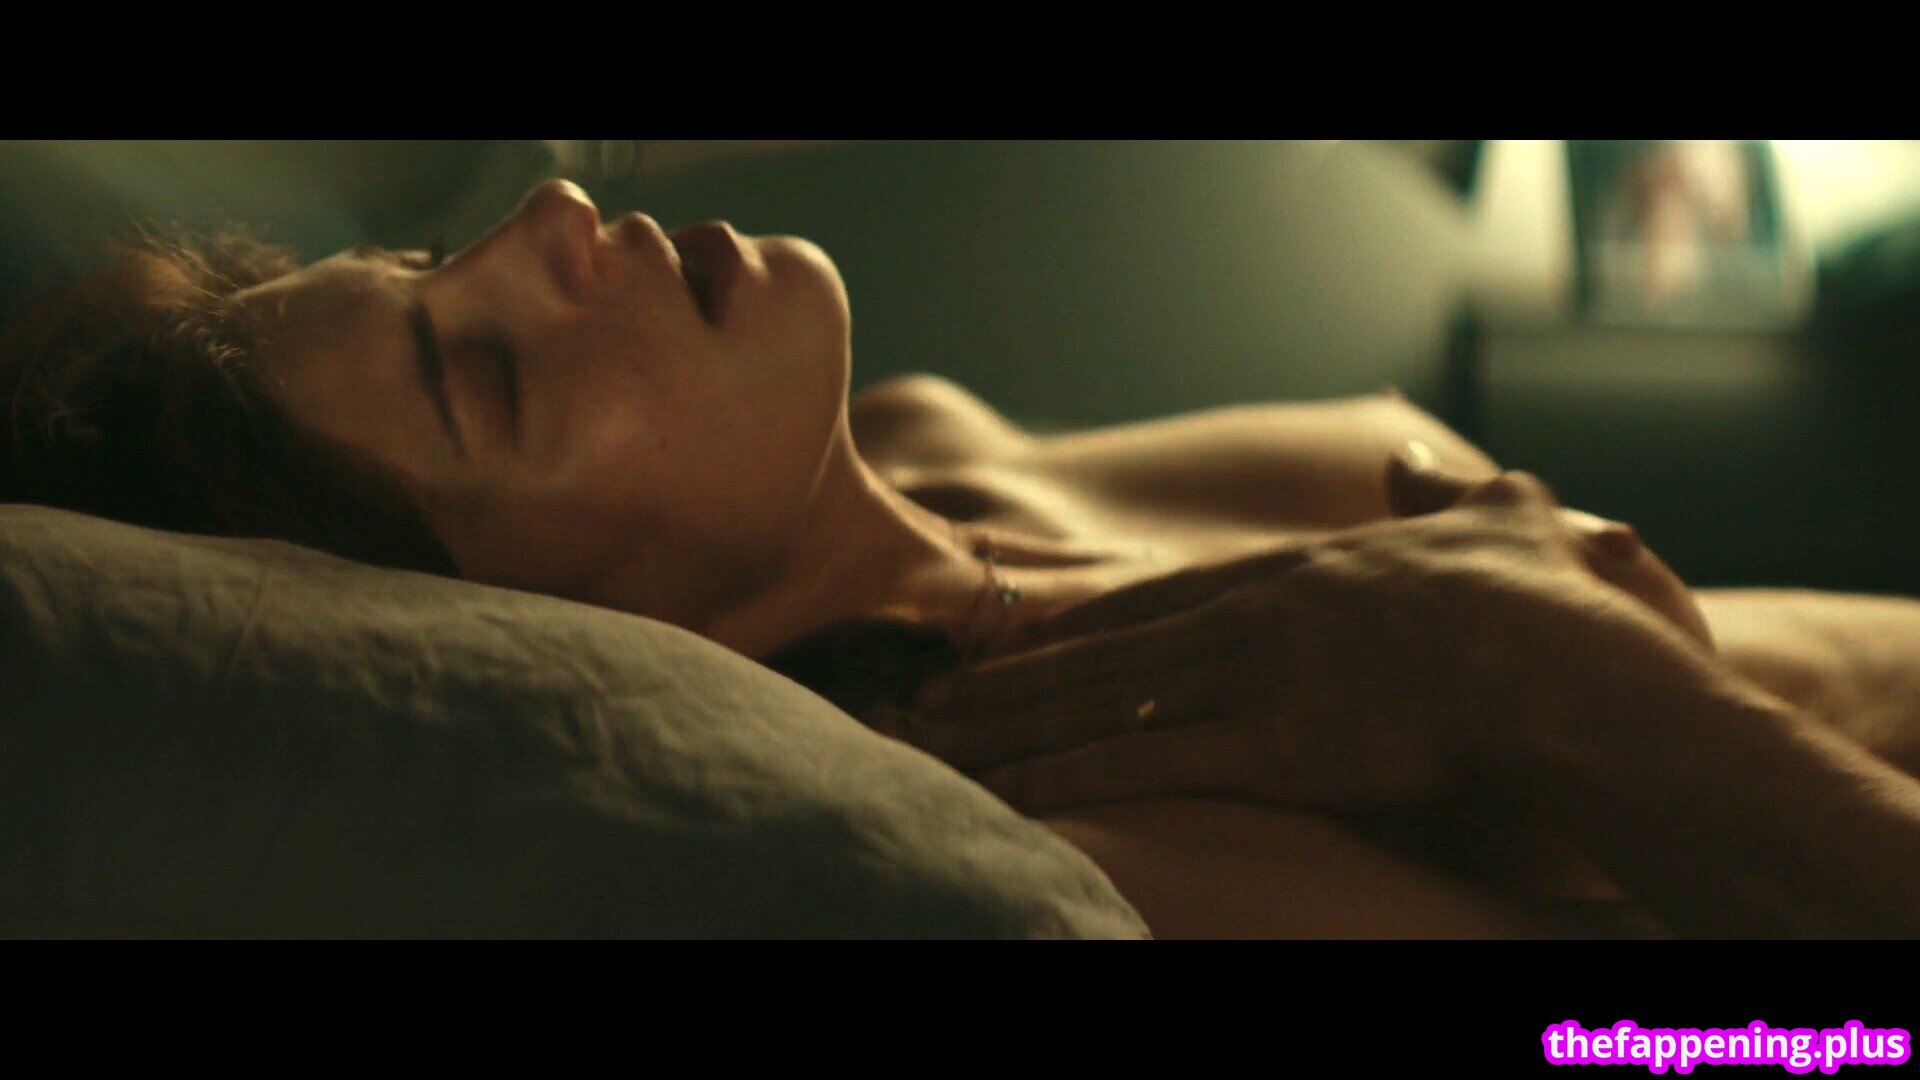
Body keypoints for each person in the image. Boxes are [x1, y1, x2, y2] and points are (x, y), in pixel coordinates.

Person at [7, 179, 1920, 937]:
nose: (551, 217)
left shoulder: (939, 446)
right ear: (552, 634)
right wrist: (1576, 700)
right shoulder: (1080, 818)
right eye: (487, 373)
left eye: (435, 260)